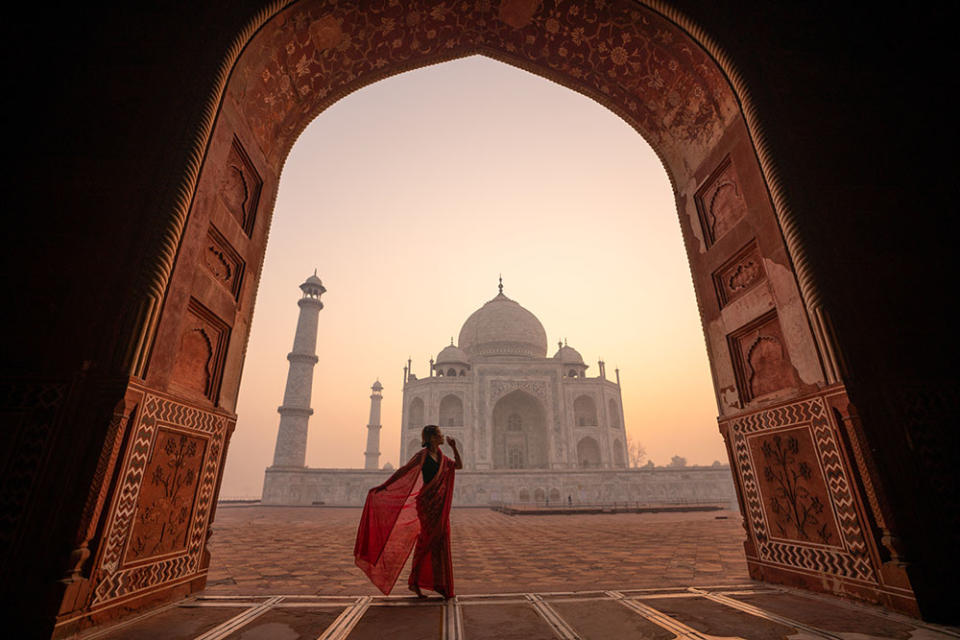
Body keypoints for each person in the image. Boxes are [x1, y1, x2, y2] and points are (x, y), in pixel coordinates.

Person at [354, 424, 462, 599]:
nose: (443, 436)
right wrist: (384, 487)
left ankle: (440, 584)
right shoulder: (422, 456)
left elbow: (458, 466)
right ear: (432, 437)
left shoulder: (442, 458)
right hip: (427, 506)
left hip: (439, 507)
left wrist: (454, 447)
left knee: (440, 542)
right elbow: (403, 472)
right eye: (439, 434)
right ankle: (415, 583)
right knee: (426, 543)